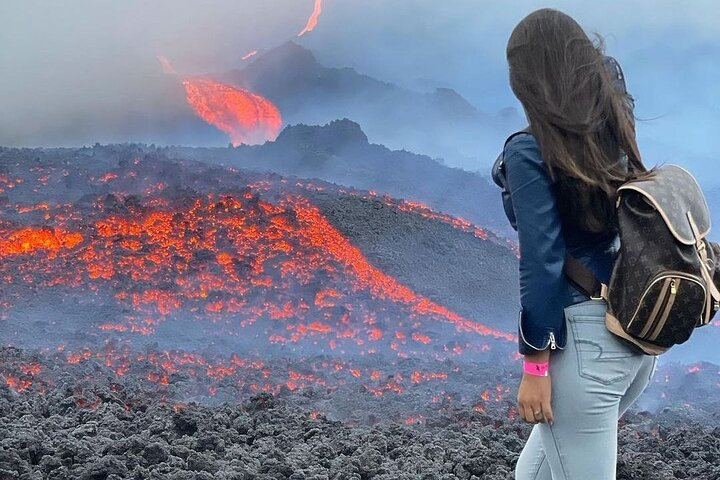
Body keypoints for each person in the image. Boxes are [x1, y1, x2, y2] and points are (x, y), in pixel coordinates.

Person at [495, 8, 659, 480]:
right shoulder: (613, 131)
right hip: (628, 337)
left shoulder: (529, 151)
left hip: (581, 354)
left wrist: (536, 367)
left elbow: (542, 263)